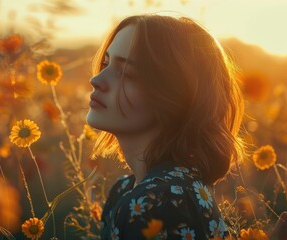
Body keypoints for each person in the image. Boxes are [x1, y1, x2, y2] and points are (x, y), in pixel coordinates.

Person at [86, 14, 245, 240]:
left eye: (126, 73)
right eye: (105, 63)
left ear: (173, 97)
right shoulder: (129, 189)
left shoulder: (157, 202)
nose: (97, 80)